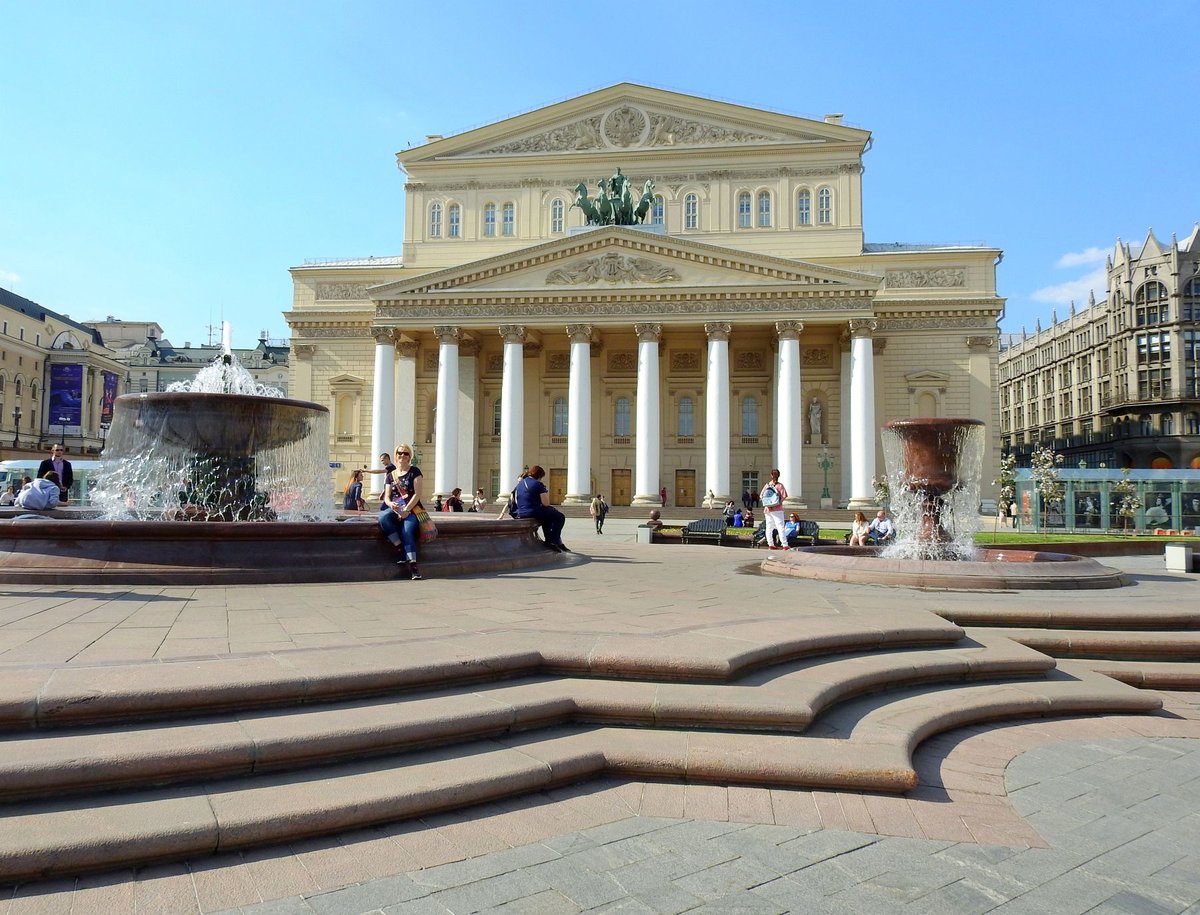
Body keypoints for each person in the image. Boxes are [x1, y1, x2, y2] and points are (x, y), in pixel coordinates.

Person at [378, 443, 425, 580]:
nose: (402, 456)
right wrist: (390, 504)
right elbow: (386, 496)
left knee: (407, 531)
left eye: (406, 453)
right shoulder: (391, 475)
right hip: (395, 508)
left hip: (412, 509)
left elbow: (417, 494)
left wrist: (406, 510)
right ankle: (400, 548)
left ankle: (413, 567)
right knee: (383, 518)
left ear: (409, 457)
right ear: (395, 455)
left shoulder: (415, 472)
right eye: (400, 453)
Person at [512, 465, 569, 552]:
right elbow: (546, 503)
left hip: (520, 512)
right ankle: (553, 540)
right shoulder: (538, 484)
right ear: (539, 476)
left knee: (547, 518)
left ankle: (550, 541)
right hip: (533, 511)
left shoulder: (520, 484)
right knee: (560, 517)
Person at [760, 469, 789, 550]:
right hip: (777, 509)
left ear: (771, 475)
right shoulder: (780, 486)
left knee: (769, 527)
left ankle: (771, 544)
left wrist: (768, 504)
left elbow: (761, 496)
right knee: (780, 527)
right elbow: (784, 496)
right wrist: (777, 503)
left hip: (767, 509)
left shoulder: (767, 485)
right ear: (779, 475)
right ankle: (784, 545)